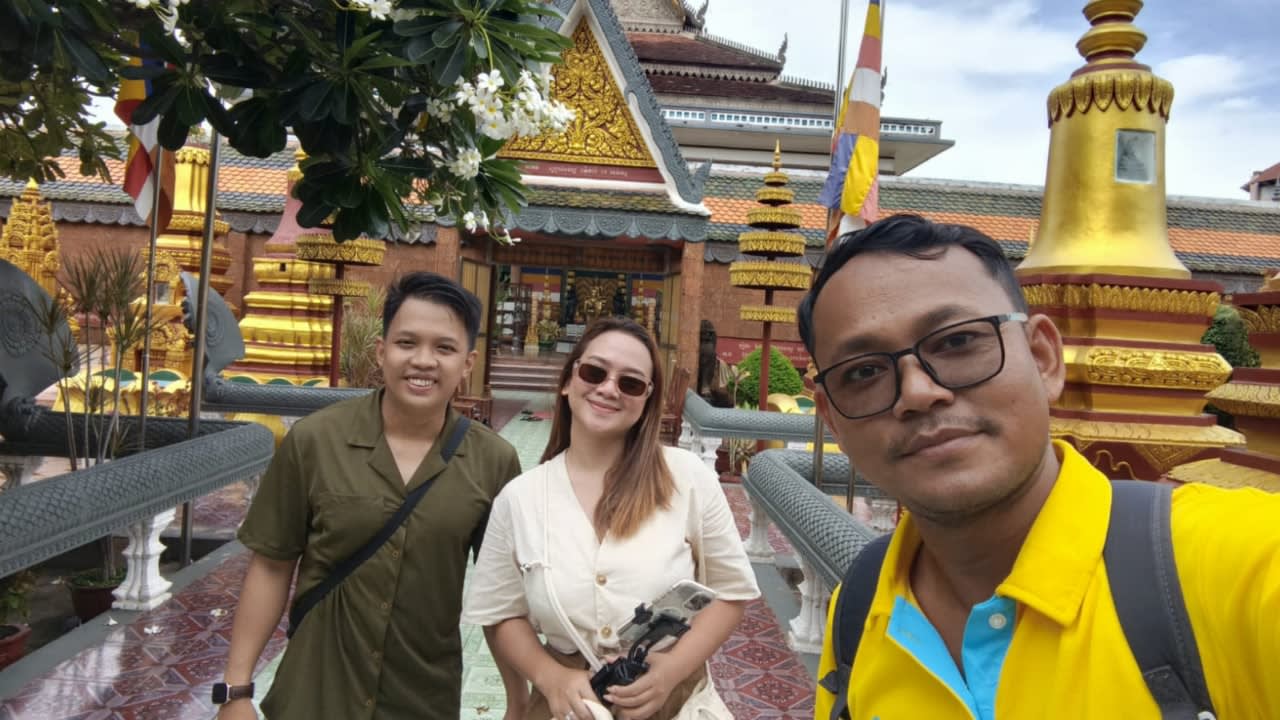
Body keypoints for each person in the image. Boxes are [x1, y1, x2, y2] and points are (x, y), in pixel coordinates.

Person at [799, 214, 1280, 718]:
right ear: (832, 420)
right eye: (864, 372)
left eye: (957, 342)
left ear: (1044, 358)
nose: (918, 393)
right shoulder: (858, 611)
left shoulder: (1233, 564)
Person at [216, 272, 525, 720]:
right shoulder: (316, 440)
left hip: (421, 698)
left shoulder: (493, 461)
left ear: (468, 363)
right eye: (406, 343)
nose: (423, 361)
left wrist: (518, 700)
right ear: (381, 352)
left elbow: (501, 595)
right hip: (314, 694)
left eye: (444, 348)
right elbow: (271, 565)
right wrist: (236, 691)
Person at [463, 317, 760, 720]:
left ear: (647, 399)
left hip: (675, 703)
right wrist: (549, 676)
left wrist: (672, 670)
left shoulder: (687, 478)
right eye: (594, 372)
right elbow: (500, 612)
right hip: (565, 707)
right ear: (568, 380)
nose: (608, 388)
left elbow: (731, 592)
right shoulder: (520, 499)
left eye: (630, 383)